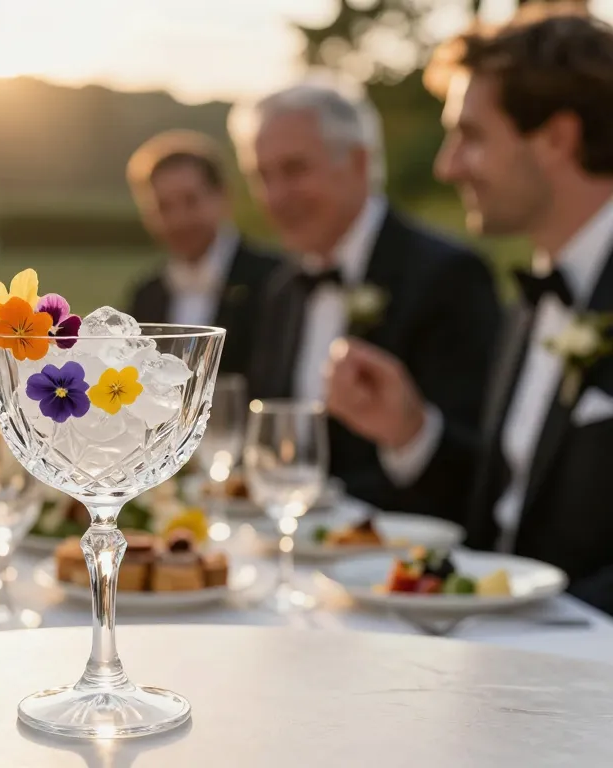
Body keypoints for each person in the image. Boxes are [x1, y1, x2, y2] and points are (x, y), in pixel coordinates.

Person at [325, 6, 613, 613]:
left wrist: (546, 635)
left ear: (557, 138)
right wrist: (410, 431)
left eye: (471, 136)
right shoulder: (531, 302)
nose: (446, 165)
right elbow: (500, 521)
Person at [233, 82, 500, 519]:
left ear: (358, 163)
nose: (276, 196)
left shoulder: (450, 276)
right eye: (263, 177)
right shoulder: (282, 290)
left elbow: (478, 469)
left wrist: (410, 434)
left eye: (295, 169)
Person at [126, 130, 281, 374]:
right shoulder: (145, 294)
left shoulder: (277, 280)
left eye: (191, 200)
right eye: (164, 206)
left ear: (223, 196)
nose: (179, 219)